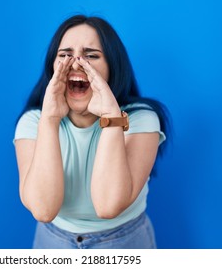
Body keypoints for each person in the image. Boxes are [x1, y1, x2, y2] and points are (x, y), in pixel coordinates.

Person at [13, 15, 170, 249]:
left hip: (125, 242)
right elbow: (43, 209)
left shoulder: (141, 119)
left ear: (112, 67)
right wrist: (49, 120)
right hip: (52, 242)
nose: (76, 63)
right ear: (52, 67)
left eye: (91, 55)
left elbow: (108, 206)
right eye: (65, 55)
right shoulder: (32, 121)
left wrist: (110, 115)